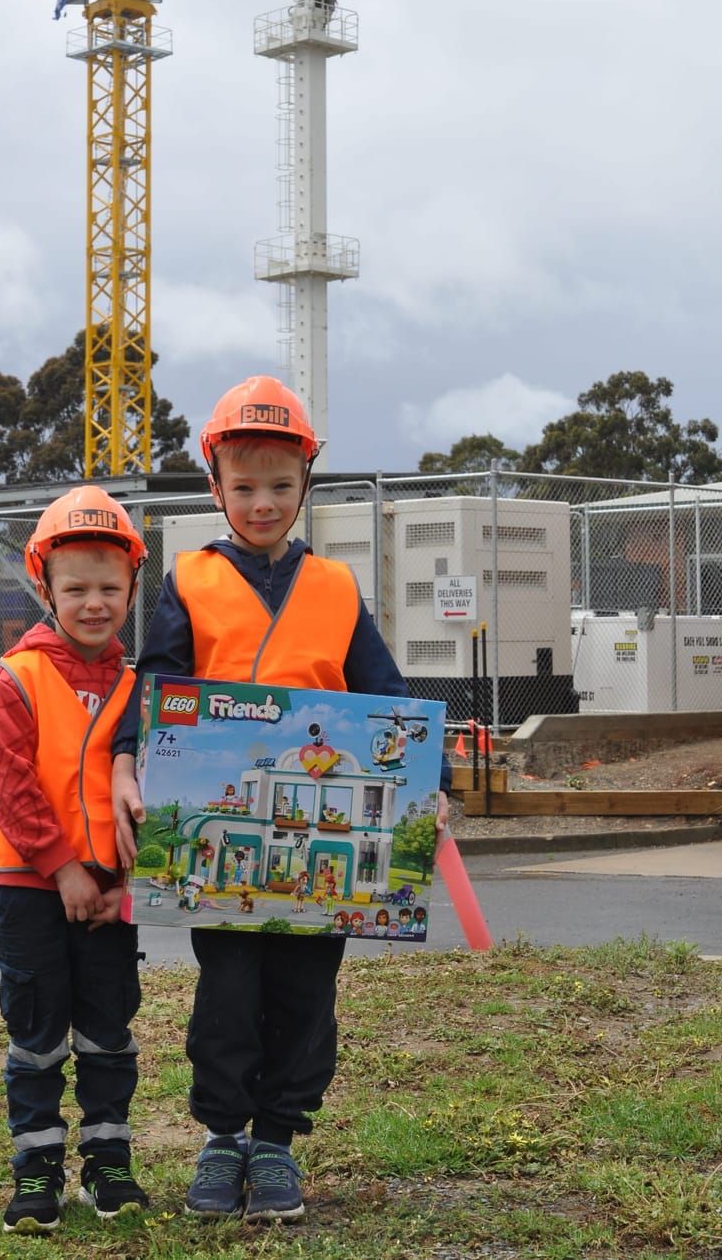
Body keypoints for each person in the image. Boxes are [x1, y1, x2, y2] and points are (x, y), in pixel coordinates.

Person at [111, 375, 451, 1224]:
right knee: (227, 994)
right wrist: (125, 761)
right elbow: (155, 686)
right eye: (244, 487)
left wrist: (432, 785)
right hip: (226, 842)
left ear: (306, 484)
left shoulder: (336, 588)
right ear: (214, 485)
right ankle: (223, 1137)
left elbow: (387, 694)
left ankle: (276, 1143)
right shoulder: (189, 580)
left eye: (280, 485)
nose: (261, 503)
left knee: (305, 996)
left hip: (317, 845)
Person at [0, 485, 150, 1235]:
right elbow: (10, 788)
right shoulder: (16, 677)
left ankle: (109, 1163)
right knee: (37, 1029)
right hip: (31, 889)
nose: (93, 603)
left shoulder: (138, 688)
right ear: (44, 586)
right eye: (75, 588)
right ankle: (37, 1169)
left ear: (132, 591)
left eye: (109, 589)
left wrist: (125, 884)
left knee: (108, 1029)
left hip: (111, 894)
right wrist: (63, 868)